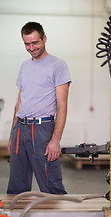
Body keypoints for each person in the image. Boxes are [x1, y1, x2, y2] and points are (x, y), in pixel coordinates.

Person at [7, 22, 71, 194]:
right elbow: (19, 102)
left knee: (51, 186)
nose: (31, 47)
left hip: (42, 129)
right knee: (16, 186)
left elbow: (62, 105)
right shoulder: (24, 66)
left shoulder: (58, 65)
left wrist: (55, 140)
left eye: (35, 42)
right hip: (20, 128)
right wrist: (12, 135)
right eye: (27, 44)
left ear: (44, 39)